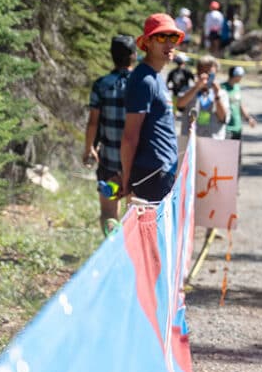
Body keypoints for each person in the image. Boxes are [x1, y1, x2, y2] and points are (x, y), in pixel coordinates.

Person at [120, 14, 183, 202]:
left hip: (163, 172)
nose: (169, 44)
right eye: (162, 37)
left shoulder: (156, 76)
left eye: (173, 37)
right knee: (150, 231)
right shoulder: (143, 80)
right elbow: (130, 136)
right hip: (150, 175)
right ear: (147, 42)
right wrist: (126, 179)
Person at [84, 35, 136, 235]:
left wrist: (88, 147)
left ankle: (111, 246)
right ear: (133, 56)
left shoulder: (101, 84)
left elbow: (93, 122)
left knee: (108, 212)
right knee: (134, 210)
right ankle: (130, 254)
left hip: (109, 160)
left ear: (112, 56)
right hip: (136, 160)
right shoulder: (142, 83)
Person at [176, 55, 229, 140]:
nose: (206, 76)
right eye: (203, 72)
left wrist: (217, 95)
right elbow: (179, 105)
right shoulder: (188, 90)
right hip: (190, 142)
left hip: (213, 142)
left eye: (210, 73)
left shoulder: (222, 93)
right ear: (198, 72)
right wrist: (196, 87)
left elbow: (223, 118)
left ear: (216, 73)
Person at [223, 66, 257, 141]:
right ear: (235, 75)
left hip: (237, 128)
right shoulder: (222, 88)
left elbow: (240, 105)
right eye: (240, 76)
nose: (241, 78)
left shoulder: (237, 87)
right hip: (227, 128)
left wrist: (248, 119)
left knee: (237, 152)